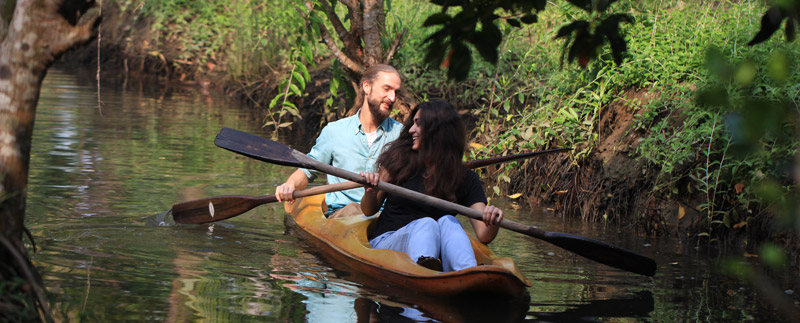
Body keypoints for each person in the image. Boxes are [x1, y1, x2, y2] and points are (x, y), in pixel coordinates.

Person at [359, 100, 503, 272]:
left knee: (449, 221)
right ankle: (424, 269)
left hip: (432, 247)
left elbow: (483, 234)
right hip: (387, 242)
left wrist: (492, 220)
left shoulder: (465, 178)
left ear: (437, 130)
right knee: (427, 223)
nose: (411, 130)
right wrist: (370, 191)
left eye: (418, 124)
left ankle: (466, 272)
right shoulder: (399, 162)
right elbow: (369, 210)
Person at [275, 64, 404, 218]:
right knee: (354, 211)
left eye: (396, 92)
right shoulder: (334, 132)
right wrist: (290, 186)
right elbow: (308, 169)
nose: (393, 98)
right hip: (342, 215)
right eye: (386, 89)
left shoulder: (402, 135)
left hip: (383, 217)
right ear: (366, 87)